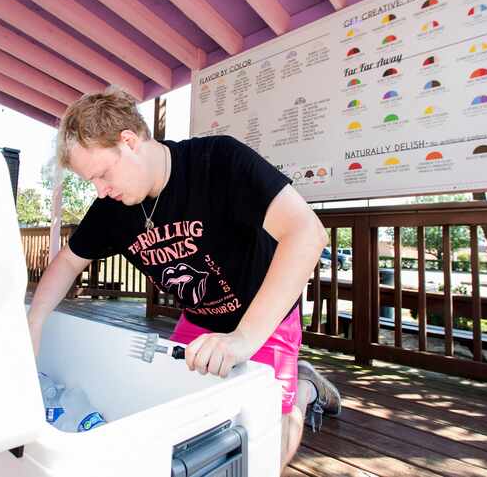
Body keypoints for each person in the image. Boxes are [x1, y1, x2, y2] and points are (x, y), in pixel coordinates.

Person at [26, 90, 341, 470]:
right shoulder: (111, 208)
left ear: (129, 141)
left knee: (263, 454)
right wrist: (35, 321)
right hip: (199, 319)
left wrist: (243, 339)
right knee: (173, 425)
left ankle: (304, 391)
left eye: (102, 174)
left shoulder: (219, 161)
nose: (101, 190)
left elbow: (307, 233)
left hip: (264, 316)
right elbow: (68, 262)